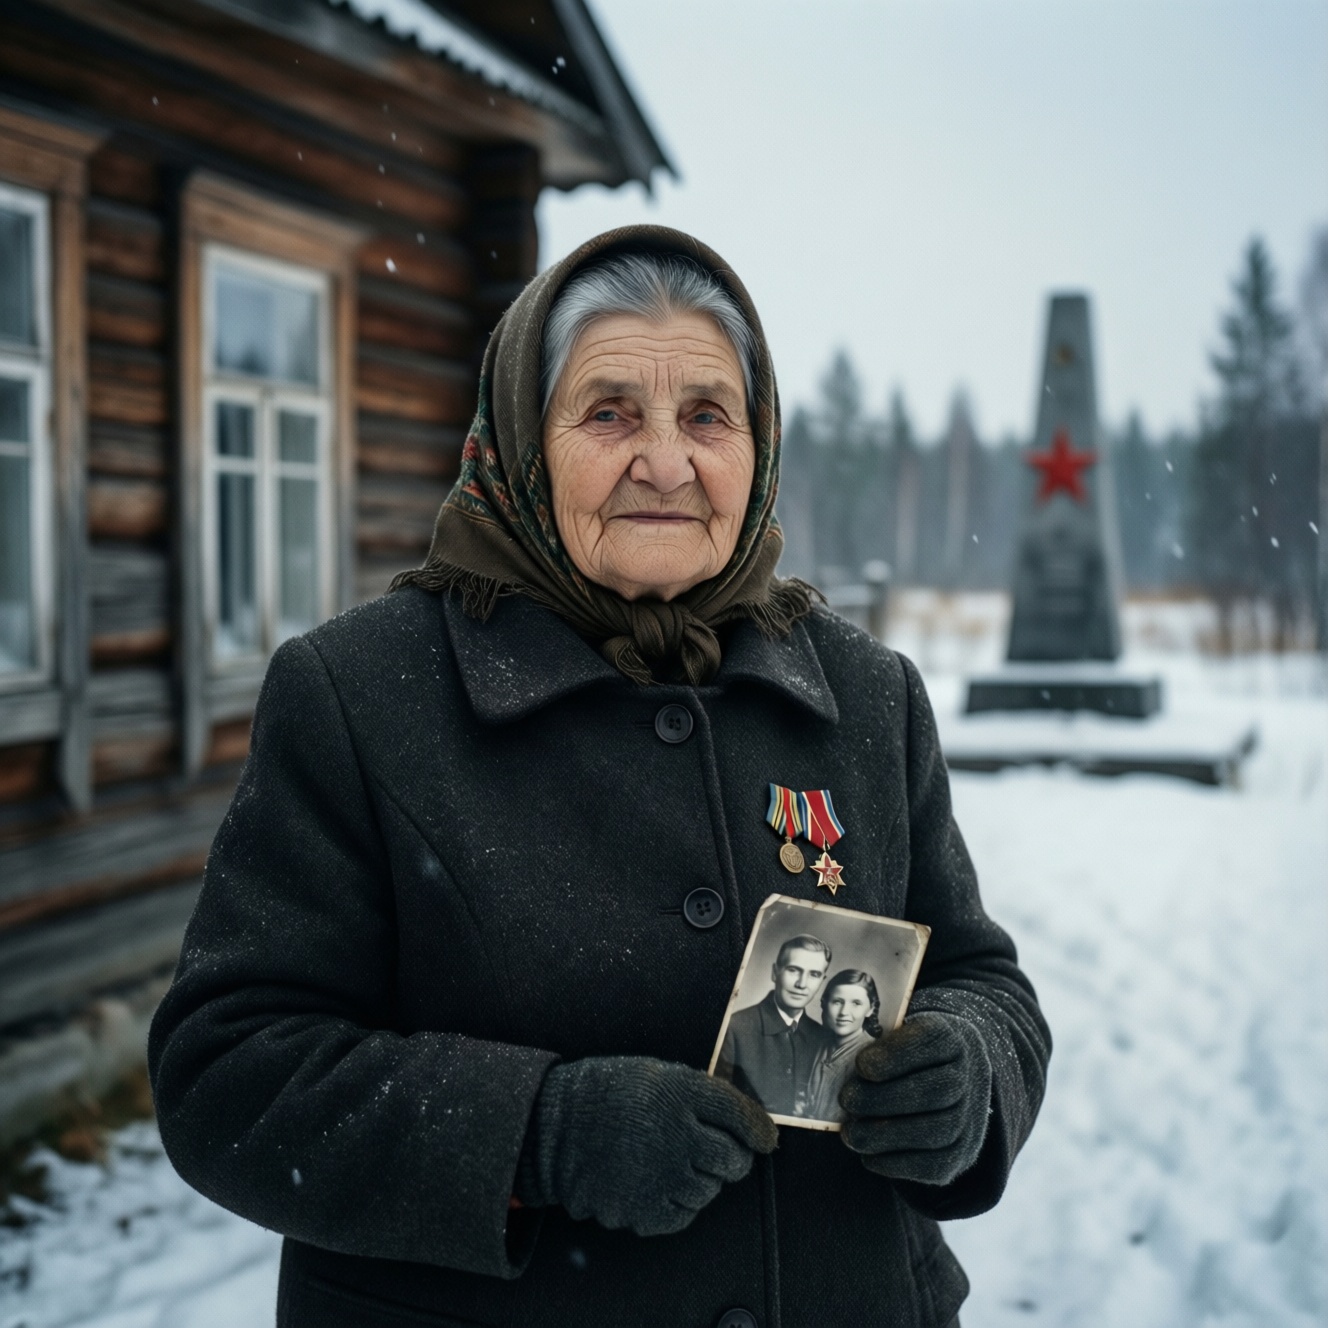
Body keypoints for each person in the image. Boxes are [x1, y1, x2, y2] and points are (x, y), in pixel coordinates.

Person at [148, 225, 1051, 1328]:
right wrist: (538, 1133)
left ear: (758, 445)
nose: (665, 463)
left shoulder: (863, 693)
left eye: (706, 416)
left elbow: (981, 981)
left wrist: (966, 1073)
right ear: (524, 437)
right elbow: (225, 1072)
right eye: (610, 410)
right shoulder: (363, 694)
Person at [715, 934, 832, 1116]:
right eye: (793, 970)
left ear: (822, 981)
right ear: (775, 972)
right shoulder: (735, 1027)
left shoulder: (823, 1037)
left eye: (814, 974)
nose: (802, 984)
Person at [805, 970, 884, 1124]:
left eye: (856, 1003)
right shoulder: (816, 1044)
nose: (844, 1012)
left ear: (870, 1009)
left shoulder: (873, 1056)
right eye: (837, 1002)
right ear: (824, 1003)